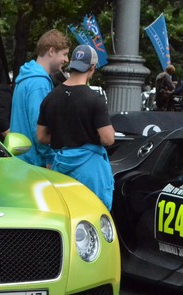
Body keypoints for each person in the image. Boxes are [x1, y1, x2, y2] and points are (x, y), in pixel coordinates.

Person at [36, 45, 116, 210]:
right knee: (94, 215)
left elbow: (41, 137)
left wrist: (65, 134)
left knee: (65, 213)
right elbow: (108, 139)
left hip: (61, 167)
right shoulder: (95, 99)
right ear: (92, 68)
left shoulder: (50, 98)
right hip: (90, 171)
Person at [11, 29, 70, 167]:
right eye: (65, 54)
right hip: (34, 164)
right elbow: (39, 129)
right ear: (51, 51)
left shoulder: (26, 77)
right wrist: (50, 158)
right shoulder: (39, 83)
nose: (66, 60)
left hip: (22, 161)